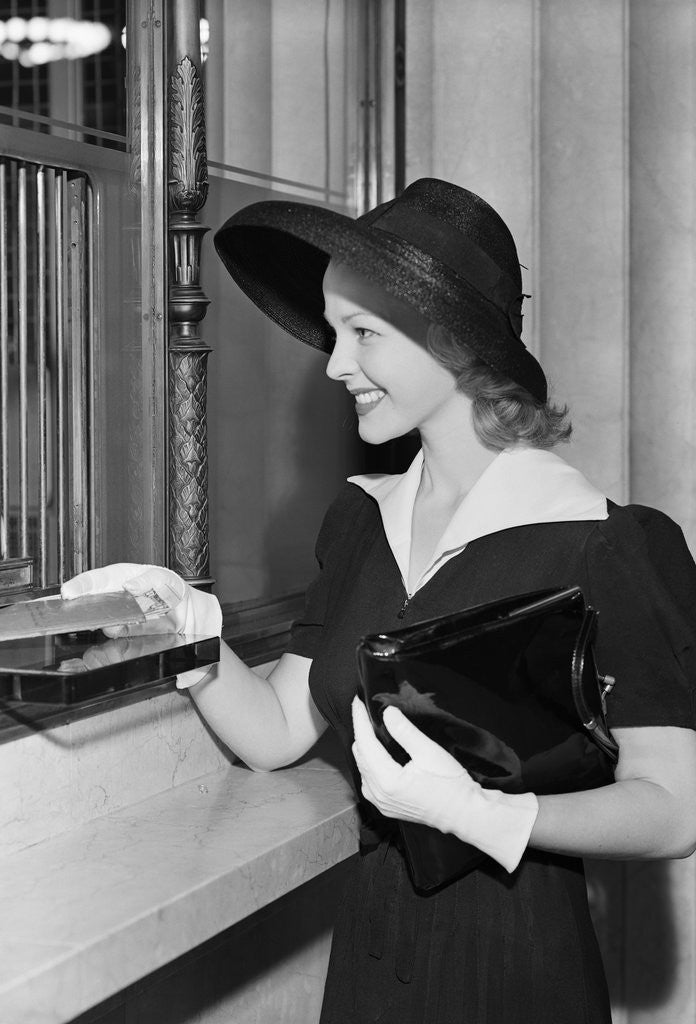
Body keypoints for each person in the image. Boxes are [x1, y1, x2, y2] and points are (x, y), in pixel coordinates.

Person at [63, 178, 696, 1023]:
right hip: (370, 962)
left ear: (459, 342)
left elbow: (673, 810)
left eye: (363, 333)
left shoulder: (605, 542)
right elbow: (282, 733)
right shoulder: (361, 521)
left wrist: (488, 814)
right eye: (333, 333)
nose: (335, 364)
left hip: (514, 972)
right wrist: (192, 631)